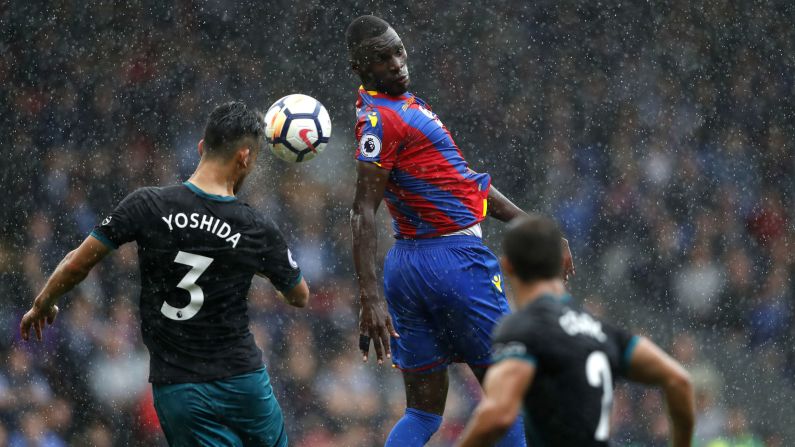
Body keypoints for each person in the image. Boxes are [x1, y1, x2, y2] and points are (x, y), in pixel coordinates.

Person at [20, 101, 309, 447]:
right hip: (242, 382)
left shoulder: (147, 205)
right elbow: (299, 295)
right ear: (245, 157)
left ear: (202, 148)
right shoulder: (256, 228)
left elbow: (78, 263)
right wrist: (257, 268)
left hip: (179, 388)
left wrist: (44, 301)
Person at [346, 15, 574, 446]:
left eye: (398, 50)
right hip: (454, 262)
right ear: (359, 67)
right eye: (382, 58)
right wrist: (368, 296)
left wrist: (537, 231)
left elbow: (470, 186)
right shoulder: (383, 120)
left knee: (423, 413)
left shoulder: (400, 110)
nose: (396, 63)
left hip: (408, 266)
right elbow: (362, 210)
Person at [457, 215, 695, 446]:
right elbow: (679, 380)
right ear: (561, 262)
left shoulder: (523, 328)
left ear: (507, 266)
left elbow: (498, 414)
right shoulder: (601, 330)